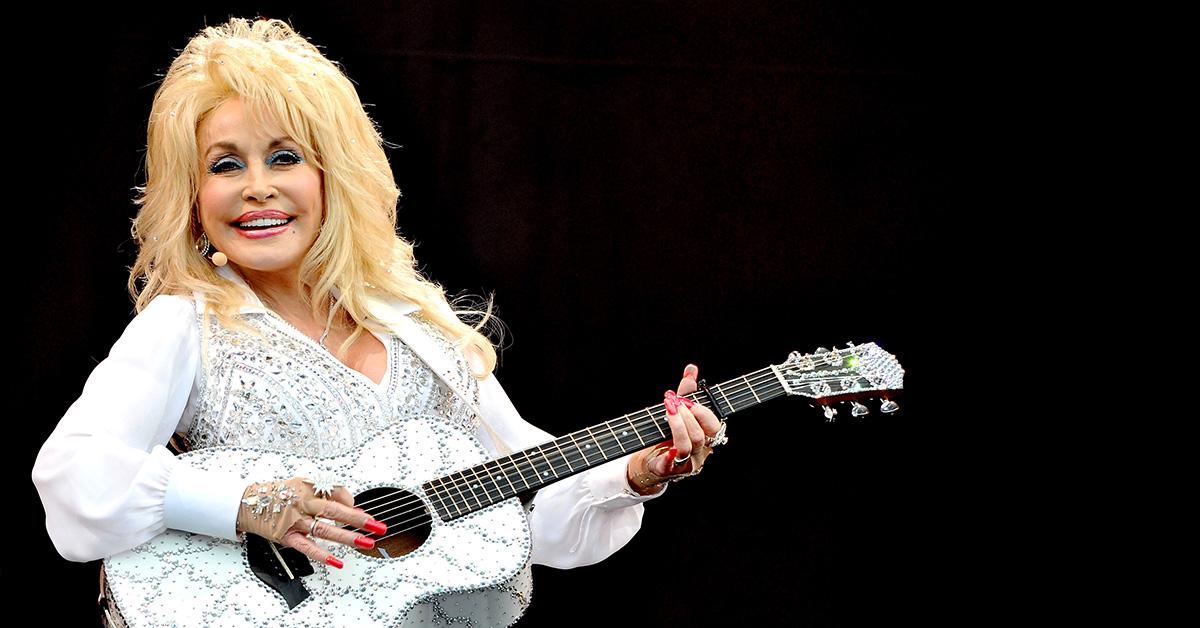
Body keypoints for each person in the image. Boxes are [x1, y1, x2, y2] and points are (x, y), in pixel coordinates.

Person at [31, 16, 727, 626]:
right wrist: (244, 502)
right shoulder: (189, 323)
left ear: (336, 175)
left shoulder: (418, 330)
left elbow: (529, 515)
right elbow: (73, 476)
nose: (256, 186)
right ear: (193, 197)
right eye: (224, 165)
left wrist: (635, 472)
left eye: (284, 157)